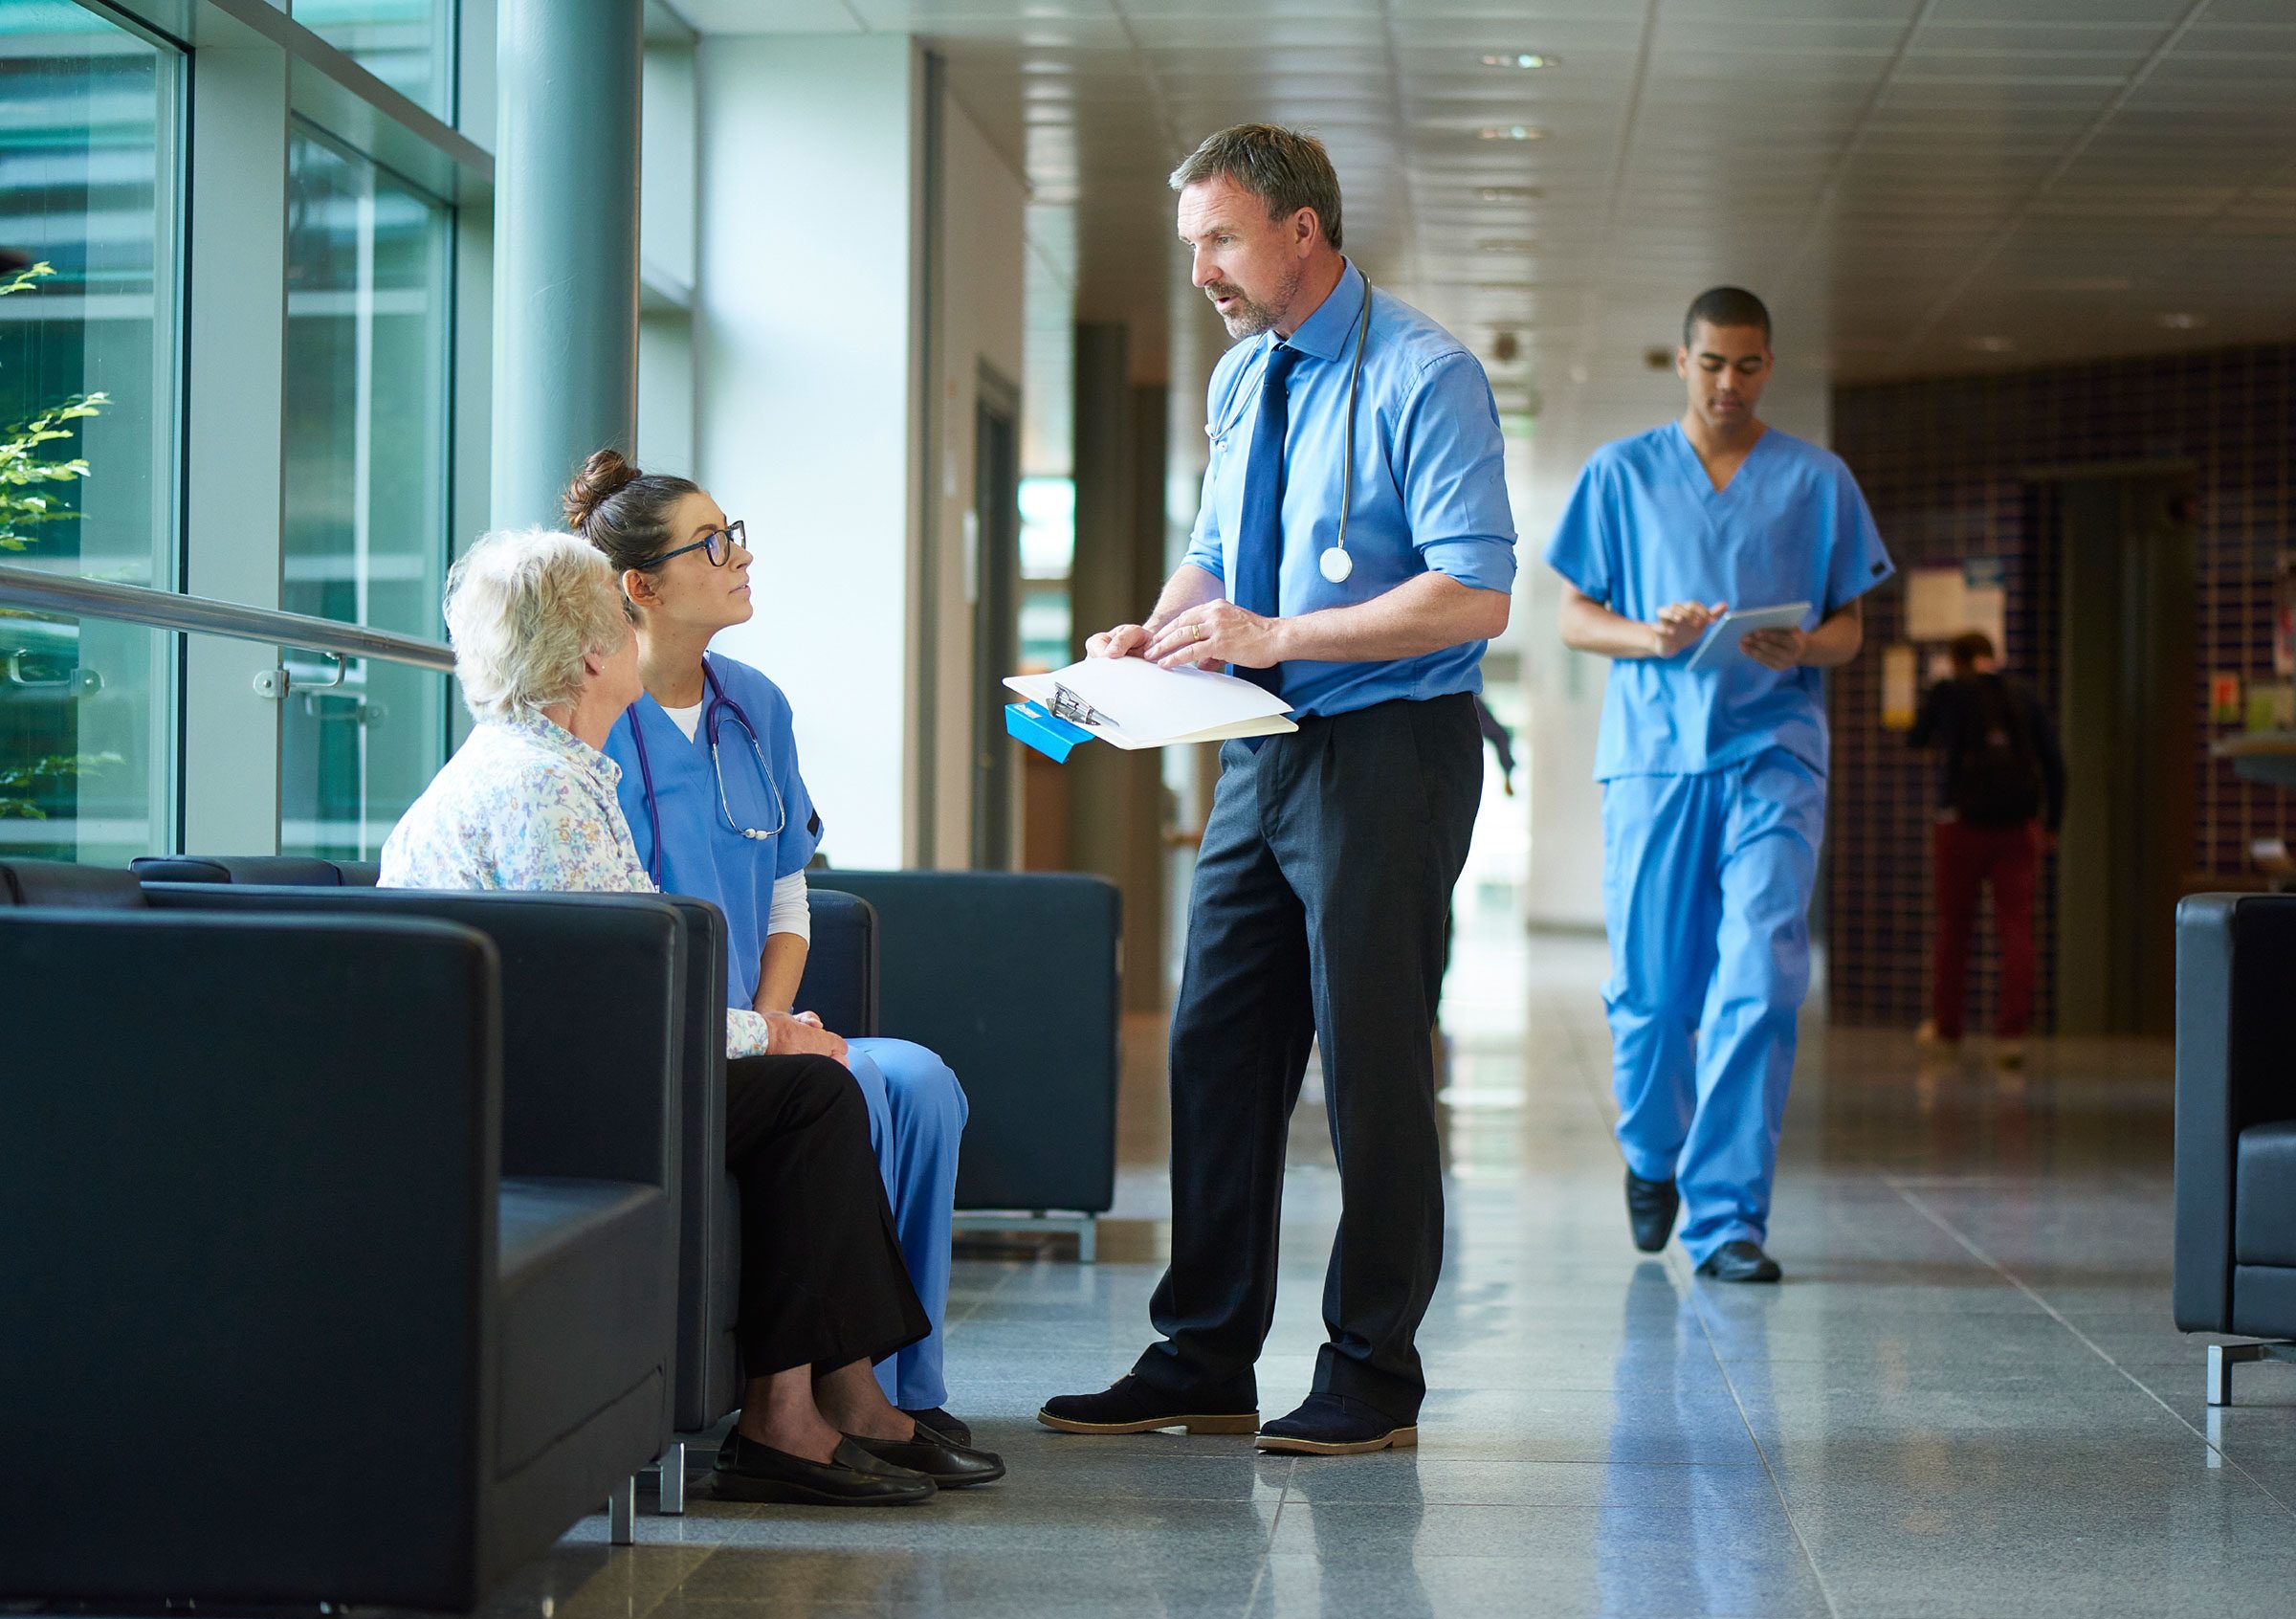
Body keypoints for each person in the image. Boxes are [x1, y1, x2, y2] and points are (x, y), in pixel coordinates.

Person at [1038, 123, 1513, 1456]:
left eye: (1222, 240)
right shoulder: (1242, 380)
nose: (1202, 270)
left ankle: (1373, 1369)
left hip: (1390, 751)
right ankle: (1203, 1350)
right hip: (1261, 744)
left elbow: (1473, 588)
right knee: (1218, 1045)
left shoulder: (1427, 375)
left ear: (1302, 230)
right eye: (1191, 244)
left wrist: (1279, 634)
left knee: (1368, 1062)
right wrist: (1160, 629)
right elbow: (1209, 558)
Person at [379, 526, 1004, 1503]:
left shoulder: (554, 771)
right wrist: (776, 1032)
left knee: (805, 1093)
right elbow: (631, 998)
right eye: (624, 628)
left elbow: (625, 980)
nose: (639, 645)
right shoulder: (542, 792)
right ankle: (795, 1417)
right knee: (807, 1093)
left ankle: (833, 1401)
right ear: (595, 655)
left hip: (544, 1067)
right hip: (527, 1098)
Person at [560, 450, 977, 1447]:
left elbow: (791, 887)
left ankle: (895, 1382)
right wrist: (764, 1037)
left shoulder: (758, 706)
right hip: (684, 1038)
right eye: (713, 544)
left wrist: (779, 1018)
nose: (740, 556)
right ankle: (834, 1390)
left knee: (920, 1083)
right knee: (852, 1091)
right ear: (641, 588)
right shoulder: (591, 720)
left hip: (761, 1024)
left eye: (733, 533)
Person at [1546, 286, 1893, 1284]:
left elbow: (1849, 628)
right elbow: (1575, 617)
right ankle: (1653, 1153)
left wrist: (1803, 642)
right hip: (1655, 755)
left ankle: (1729, 1218)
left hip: (1772, 751)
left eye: (1747, 366)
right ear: (1683, 361)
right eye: (1712, 365)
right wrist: (1648, 633)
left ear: (1768, 366)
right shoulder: (1622, 473)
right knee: (1653, 994)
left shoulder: (1815, 479)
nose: (1729, 384)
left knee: (1761, 975)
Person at [1909, 630, 2065, 1069]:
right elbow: (2054, 763)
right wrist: (2051, 825)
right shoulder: (2022, 695)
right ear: (1993, 657)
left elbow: (1917, 739)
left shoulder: (1949, 691)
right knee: (2016, 928)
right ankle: (2011, 1035)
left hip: (1959, 824)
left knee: (1954, 927)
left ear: (1957, 660)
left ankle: (1947, 1030)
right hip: (2018, 828)